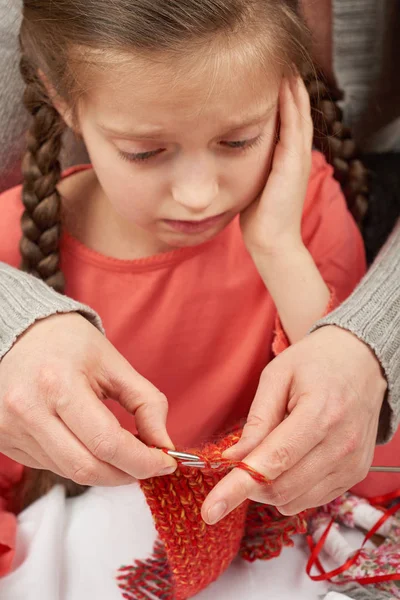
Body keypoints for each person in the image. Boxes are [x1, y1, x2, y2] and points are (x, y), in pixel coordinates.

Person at [0, 0, 397, 529]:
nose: (197, 196)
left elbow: (372, 467)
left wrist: (280, 251)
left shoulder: (307, 213)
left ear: (287, 95)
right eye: (144, 152)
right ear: (62, 100)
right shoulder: (12, 242)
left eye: (237, 142)